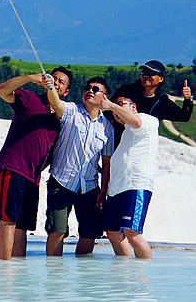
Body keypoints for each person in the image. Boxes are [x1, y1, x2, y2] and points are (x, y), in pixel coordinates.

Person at [0, 67, 73, 260]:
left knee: (23, 226)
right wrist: (29, 78)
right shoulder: (29, 99)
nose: (56, 83)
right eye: (54, 79)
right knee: (8, 220)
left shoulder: (61, 118)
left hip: (33, 176)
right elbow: (2, 90)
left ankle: (18, 273)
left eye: (61, 82)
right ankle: (5, 271)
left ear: (65, 92)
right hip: (13, 168)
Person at [41, 75, 114, 256]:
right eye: (87, 87)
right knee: (57, 230)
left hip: (89, 187)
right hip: (61, 181)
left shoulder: (107, 128)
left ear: (104, 97)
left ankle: (84, 281)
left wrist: (103, 191)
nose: (90, 91)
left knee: (90, 233)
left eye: (95, 89)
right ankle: (55, 279)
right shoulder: (71, 110)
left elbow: (106, 163)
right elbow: (56, 103)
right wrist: (50, 87)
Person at [100, 95, 159, 259]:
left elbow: (137, 123)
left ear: (133, 107)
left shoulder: (146, 119)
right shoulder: (127, 133)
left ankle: (141, 280)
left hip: (134, 185)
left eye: (121, 104)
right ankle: (124, 274)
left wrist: (111, 105)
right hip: (116, 190)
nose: (116, 109)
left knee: (132, 232)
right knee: (112, 232)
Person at [110, 60, 193, 146]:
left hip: (143, 148)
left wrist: (187, 99)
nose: (145, 76)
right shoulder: (126, 91)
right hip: (118, 142)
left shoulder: (162, 102)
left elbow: (184, 116)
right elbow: (109, 112)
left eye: (151, 73)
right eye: (143, 72)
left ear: (161, 78)